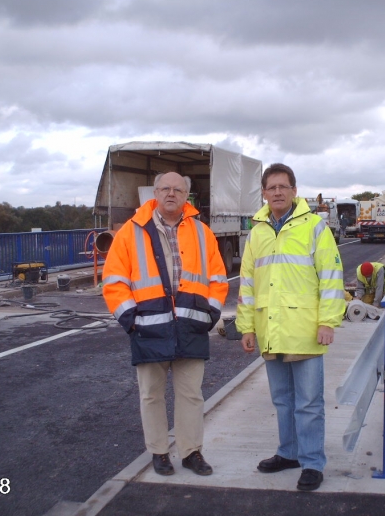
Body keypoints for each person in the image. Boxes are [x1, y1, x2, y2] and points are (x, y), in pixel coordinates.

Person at [102, 172, 229, 477]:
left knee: (191, 395)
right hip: (148, 328)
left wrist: (209, 315)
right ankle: (159, 452)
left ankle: (191, 452)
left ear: (187, 196)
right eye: (165, 189)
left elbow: (218, 278)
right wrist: (130, 320)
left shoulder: (202, 232)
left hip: (191, 327)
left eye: (178, 189)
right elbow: (114, 280)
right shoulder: (130, 233)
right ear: (154, 193)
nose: (171, 193)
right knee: (151, 395)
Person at [236, 163, 345, 492]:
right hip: (270, 329)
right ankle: (289, 453)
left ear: (295, 191)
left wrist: (328, 321)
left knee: (309, 402)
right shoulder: (257, 233)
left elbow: (331, 278)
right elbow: (247, 284)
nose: (278, 192)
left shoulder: (314, 227)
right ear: (265, 193)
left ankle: (312, 462)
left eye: (284, 187)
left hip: (306, 330)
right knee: (283, 399)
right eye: (272, 188)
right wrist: (246, 327)